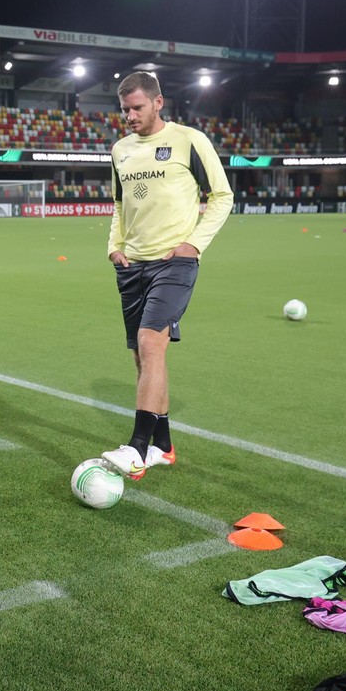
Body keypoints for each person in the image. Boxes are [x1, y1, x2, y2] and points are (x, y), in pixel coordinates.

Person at [100, 71, 233, 480]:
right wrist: (114, 246)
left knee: (151, 345)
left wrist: (193, 245)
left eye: (137, 107)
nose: (130, 116)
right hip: (132, 265)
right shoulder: (120, 150)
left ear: (159, 102)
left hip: (174, 261)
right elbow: (120, 207)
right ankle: (163, 446)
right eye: (125, 109)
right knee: (142, 357)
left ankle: (137, 448)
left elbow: (222, 196)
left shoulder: (189, 140)